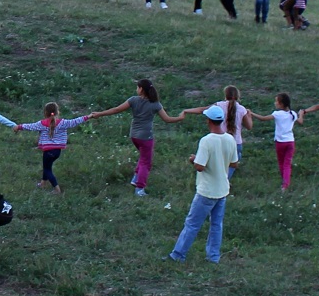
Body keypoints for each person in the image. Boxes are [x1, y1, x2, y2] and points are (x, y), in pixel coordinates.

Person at [87, 78, 185, 196]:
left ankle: (135, 178)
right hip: (146, 137)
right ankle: (140, 189)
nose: (136, 89)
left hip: (134, 135)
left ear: (141, 89)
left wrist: (99, 114)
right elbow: (167, 119)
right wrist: (180, 117)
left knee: (143, 157)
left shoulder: (133, 100)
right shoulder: (156, 105)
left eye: (137, 87)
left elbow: (116, 109)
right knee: (146, 163)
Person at [168, 105, 239, 264]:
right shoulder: (230, 138)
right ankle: (213, 257)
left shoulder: (207, 140)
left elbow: (200, 167)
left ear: (209, 120)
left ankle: (178, 255)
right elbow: (234, 163)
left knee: (192, 224)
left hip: (207, 190)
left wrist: (193, 160)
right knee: (216, 225)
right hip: (222, 190)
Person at [15, 102, 87, 194]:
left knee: (47, 169)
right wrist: (88, 117)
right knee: (47, 166)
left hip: (48, 152)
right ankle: (43, 183)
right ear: (57, 112)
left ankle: (57, 189)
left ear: (45, 112)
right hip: (57, 152)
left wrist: (19, 127)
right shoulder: (63, 123)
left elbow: (30, 126)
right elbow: (75, 121)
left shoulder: (41, 123)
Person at [268, 94, 302, 191]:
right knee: (287, 163)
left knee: (281, 163)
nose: (275, 103)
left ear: (281, 104)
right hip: (290, 141)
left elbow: (263, 118)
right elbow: (300, 121)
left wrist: (251, 114)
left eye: (276, 101)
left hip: (280, 142)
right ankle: (285, 184)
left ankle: (284, 182)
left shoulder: (277, 114)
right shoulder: (293, 114)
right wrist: (301, 114)